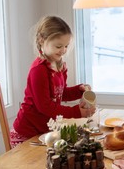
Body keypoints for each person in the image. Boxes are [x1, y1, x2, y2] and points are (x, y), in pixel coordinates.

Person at [10, 15, 94, 147]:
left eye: (66, 46)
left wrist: (79, 90)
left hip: (43, 131)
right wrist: (76, 112)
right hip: (26, 133)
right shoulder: (38, 70)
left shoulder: (59, 66)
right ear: (42, 40)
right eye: (59, 46)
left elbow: (60, 93)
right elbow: (45, 106)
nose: (63, 50)